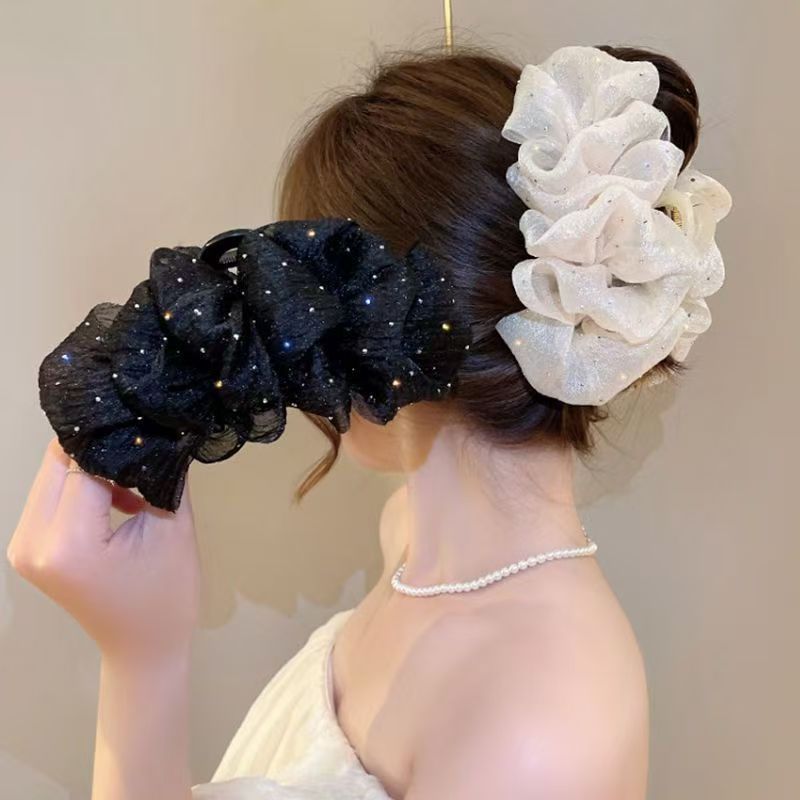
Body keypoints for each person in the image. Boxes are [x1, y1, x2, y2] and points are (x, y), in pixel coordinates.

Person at [6, 43, 731, 800]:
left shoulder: (539, 731)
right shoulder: (409, 536)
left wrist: (142, 662)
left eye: (301, 294)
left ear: (373, 336)